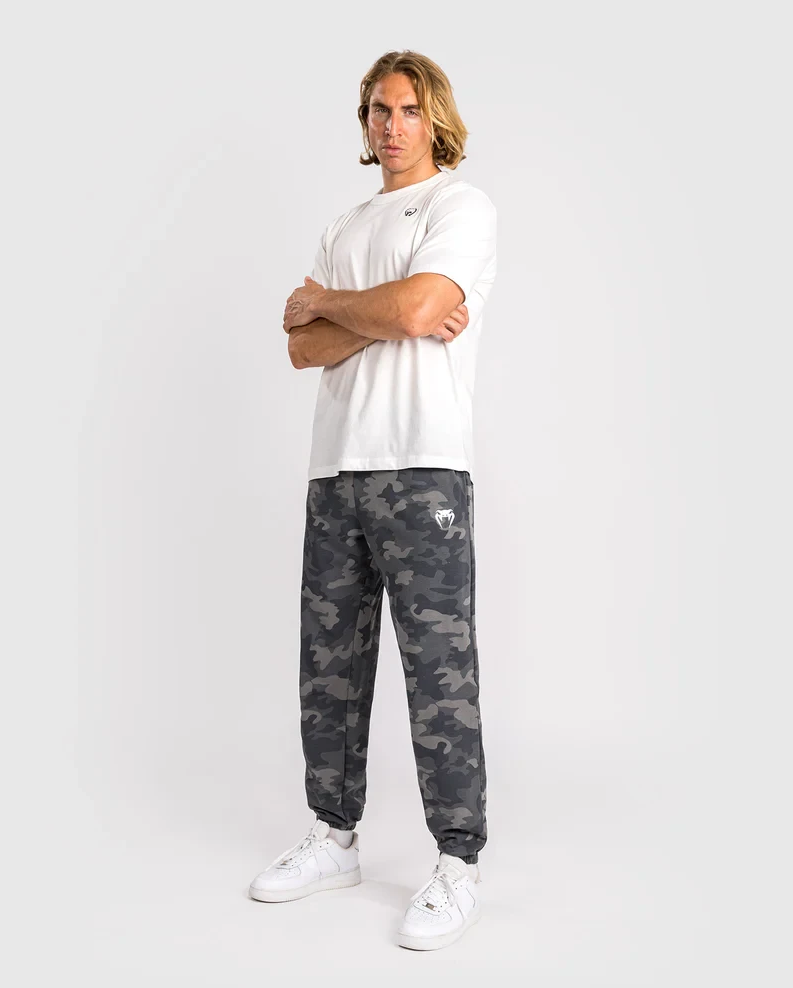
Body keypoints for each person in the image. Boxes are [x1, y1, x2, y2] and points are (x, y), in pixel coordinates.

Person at [249, 49, 497, 952]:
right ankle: (334, 837)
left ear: (435, 119)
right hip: (335, 470)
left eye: (408, 109)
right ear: (365, 123)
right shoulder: (344, 225)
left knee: (440, 671)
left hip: (423, 467)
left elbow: (421, 308)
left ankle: (458, 862)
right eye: (378, 111)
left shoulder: (460, 207)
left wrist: (337, 306)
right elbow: (301, 348)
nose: (392, 126)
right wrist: (383, 311)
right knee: (329, 668)